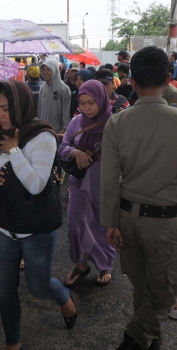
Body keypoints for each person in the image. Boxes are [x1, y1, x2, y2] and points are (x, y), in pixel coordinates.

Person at [100, 46, 177, 349]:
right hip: (163, 222)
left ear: (131, 81)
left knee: (143, 288)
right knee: (166, 291)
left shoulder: (117, 122)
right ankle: (135, 341)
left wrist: (109, 221)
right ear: (169, 78)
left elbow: (108, 179)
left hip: (126, 219)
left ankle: (148, 341)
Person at [0, 80, 77, 350]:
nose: (0, 114)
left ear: (21, 106)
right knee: (4, 292)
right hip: (4, 226)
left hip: (35, 228)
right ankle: (13, 343)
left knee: (38, 287)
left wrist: (14, 149)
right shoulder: (0, 132)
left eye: (5, 108)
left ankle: (63, 297)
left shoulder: (43, 137)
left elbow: (36, 184)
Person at [60, 80, 116, 287]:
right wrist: (75, 152)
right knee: (75, 223)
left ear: (101, 100)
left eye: (91, 102)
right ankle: (81, 264)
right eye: (82, 103)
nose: (86, 108)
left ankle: (105, 264)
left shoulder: (114, 123)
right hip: (80, 181)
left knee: (102, 224)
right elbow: (63, 147)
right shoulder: (76, 122)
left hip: (105, 182)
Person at [38, 58, 71, 137]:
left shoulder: (64, 89)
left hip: (58, 131)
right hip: (43, 130)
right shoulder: (42, 88)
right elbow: (40, 108)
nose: (45, 72)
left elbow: (66, 111)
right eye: (43, 69)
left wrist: (66, 128)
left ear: (55, 70)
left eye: (48, 69)